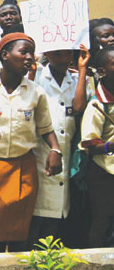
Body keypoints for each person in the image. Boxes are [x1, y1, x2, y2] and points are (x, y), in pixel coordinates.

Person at [0, 33, 62, 254]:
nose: (28, 58)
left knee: (16, 232)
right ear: (5, 55)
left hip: (21, 169)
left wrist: (56, 149)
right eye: (23, 52)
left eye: (31, 54)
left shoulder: (36, 92)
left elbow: (46, 128)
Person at [28, 45, 90, 247]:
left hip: (65, 151)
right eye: (57, 53)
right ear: (47, 54)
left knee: (58, 212)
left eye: (67, 53)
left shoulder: (76, 80)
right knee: (37, 212)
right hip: (39, 152)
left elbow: (79, 107)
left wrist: (82, 71)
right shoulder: (37, 77)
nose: (63, 58)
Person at [80, 46, 114, 247]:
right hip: (104, 172)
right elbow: (90, 144)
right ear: (102, 71)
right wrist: (110, 146)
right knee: (102, 220)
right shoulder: (98, 105)